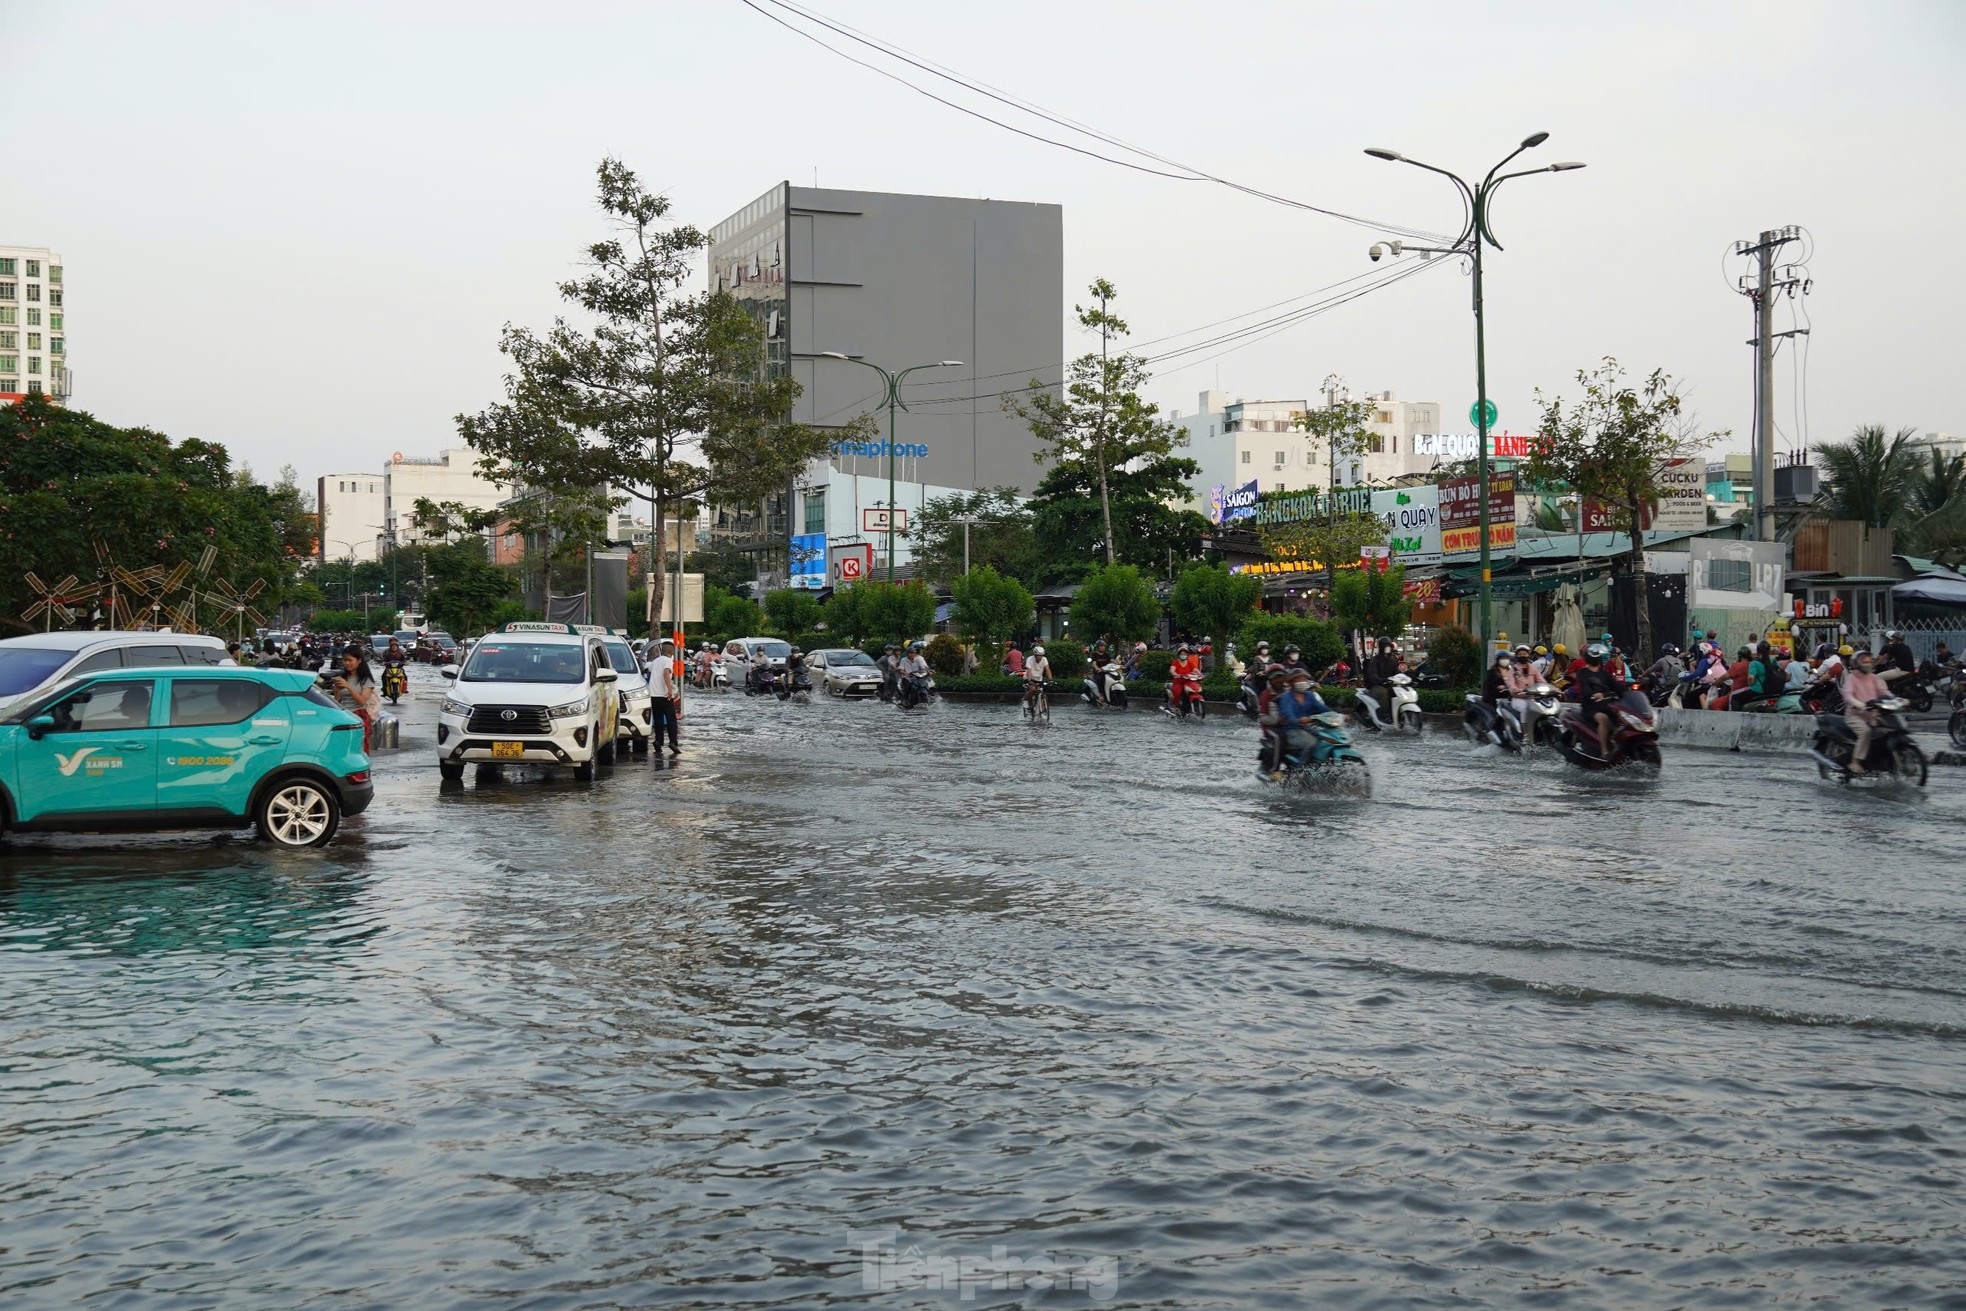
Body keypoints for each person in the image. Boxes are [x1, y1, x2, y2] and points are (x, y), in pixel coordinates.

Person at [1271, 673, 1332, 776]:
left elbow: (1323, 709)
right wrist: (1299, 720)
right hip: (1291, 730)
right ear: (1292, 683)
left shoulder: (1310, 696)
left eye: (1304, 679)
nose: (1302, 682)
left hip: (1306, 729)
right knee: (1311, 743)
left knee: (1325, 739)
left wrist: (1339, 716)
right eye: (1299, 679)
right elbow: (1289, 715)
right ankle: (1299, 771)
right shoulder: (1287, 698)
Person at [1841, 649, 1890, 774]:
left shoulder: (1873, 678)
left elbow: (1884, 692)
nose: (1868, 663)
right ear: (1857, 663)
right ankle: (1855, 762)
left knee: (1888, 729)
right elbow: (1848, 695)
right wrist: (1858, 703)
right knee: (1865, 732)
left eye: (1869, 660)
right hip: (1855, 716)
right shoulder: (1852, 678)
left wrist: (1897, 700)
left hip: (1872, 715)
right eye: (1864, 661)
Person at [1572, 643, 1624, 756]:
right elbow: (1584, 689)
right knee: (1603, 718)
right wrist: (1594, 694)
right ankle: (1604, 750)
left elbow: (1617, 686)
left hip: (1606, 706)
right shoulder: (1582, 672)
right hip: (1591, 708)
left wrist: (1632, 691)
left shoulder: (1604, 673)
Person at [331, 649, 380, 751]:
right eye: (344, 660)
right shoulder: (343, 678)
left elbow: (362, 701)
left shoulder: (366, 680)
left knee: (358, 749)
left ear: (359, 660)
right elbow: (338, 701)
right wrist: (337, 690)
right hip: (344, 716)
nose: (346, 663)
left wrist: (348, 687)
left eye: (350, 660)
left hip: (359, 717)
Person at [1254, 668, 1292, 775]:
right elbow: (1262, 718)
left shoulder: (1289, 691)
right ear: (1270, 680)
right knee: (1279, 738)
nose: (1279, 680)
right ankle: (1274, 770)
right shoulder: (1266, 695)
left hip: (1290, 726)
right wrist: (1277, 720)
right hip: (1271, 729)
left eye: (1281, 677)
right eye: (1276, 678)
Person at [649, 638, 680, 754]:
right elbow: (666, 673)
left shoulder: (655, 661)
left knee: (658, 720)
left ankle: (658, 741)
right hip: (664, 695)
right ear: (671, 652)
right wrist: (669, 689)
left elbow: (650, 672)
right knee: (671, 719)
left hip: (653, 695)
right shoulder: (668, 661)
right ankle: (673, 742)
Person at [1363, 638, 1400, 720]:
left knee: (1398, 691)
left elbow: (1397, 673)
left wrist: (1404, 677)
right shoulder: (1375, 660)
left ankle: (1398, 713)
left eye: (1388, 645)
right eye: (1385, 645)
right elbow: (1373, 675)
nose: (1387, 647)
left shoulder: (1392, 660)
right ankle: (1385, 715)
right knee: (1384, 692)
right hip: (1376, 686)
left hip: (1388, 684)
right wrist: (1382, 680)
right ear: (1380, 646)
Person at [1168, 643, 1203, 709]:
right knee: (1178, 693)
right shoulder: (1175, 662)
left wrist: (1200, 674)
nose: (1183, 655)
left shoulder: (1189, 662)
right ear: (1179, 655)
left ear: (1187, 655)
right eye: (1182, 654)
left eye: (1185, 654)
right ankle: (1175, 707)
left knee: (1196, 690)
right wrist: (1176, 674)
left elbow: (1195, 670)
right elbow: (1172, 670)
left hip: (1188, 682)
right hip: (1178, 682)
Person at [1022, 643, 1052, 711]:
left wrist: (1050, 679)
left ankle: (1042, 707)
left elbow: (1048, 670)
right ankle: (1026, 700)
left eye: (1041, 655)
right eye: (1038, 656)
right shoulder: (1030, 659)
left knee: (1040, 691)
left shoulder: (1044, 659)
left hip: (1039, 678)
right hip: (1029, 677)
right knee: (1032, 689)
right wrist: (1030, 681)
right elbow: (1029, 671)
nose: (1040, 657)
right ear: (1035, 655)